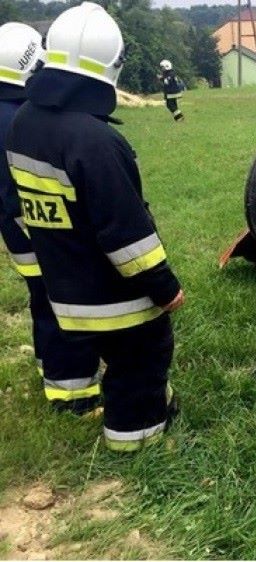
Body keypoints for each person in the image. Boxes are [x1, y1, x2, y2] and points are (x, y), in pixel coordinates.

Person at [6, 2, 185, 452]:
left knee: (119, 355)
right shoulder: (97, 142)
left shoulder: (24, 122)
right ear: (112, 66)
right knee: (144, 351)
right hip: (112, 297)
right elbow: (127, 236)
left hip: (63, 290)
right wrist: (165, 288)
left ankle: (129, 404)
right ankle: (135, 440)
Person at [0, 22, 102, 415]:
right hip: (38, 231)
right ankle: (74, 395)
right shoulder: (16, 119)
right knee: (64, 305)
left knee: (42, 302)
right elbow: (21, 192)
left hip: (19, 233)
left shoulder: (9, 113)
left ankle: (51, 370)